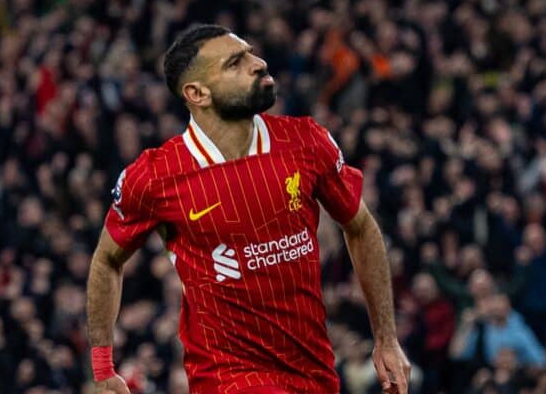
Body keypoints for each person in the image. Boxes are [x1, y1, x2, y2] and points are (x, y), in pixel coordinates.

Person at [86, 24, 410, 394]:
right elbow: (107, 259)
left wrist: (386, 338)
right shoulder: (155, 176)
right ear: (197, 93)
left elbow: (361, 227)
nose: (258, 64)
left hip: (314, 372)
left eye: (251, 54)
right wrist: (102, 366)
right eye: (235, 63)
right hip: (226, 377)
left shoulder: (305, 141)